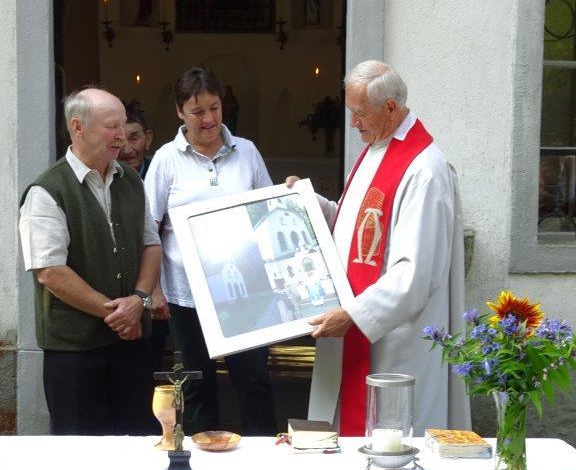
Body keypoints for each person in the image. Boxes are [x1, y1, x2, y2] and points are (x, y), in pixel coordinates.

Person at [287, 60, 470, 436]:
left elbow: (414, 273)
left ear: (389, 108)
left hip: (393, 344)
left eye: (359, 113)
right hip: (361, 332)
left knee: (389, 442)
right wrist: (310, 203)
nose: (353, 123)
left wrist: (354, 315)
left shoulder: (424, 170)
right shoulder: (376, 148)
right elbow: (356, 228)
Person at [19, 87, 162, 435]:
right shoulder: (47, 190)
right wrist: (118, 314)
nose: (121, 136)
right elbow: (50, 272)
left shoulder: (130, 180)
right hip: (75, 352)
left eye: (123, 125)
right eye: (111, 127)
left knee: (137, 442)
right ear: (78, 127)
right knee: (79, 451)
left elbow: (151, 244)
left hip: (131, 344)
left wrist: (139, 300)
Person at [145, 66, 277, 436]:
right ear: (179, 112)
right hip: (187, 295)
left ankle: (264, 454)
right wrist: (154, 288)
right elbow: (149, 227)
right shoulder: (166, 159)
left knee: (253, 380)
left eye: (214, 108)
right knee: (195, 383)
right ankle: (201, 456)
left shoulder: (246, 152)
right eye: (197, 111)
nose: (208, 119)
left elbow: (266, 211)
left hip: (245, 290)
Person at [120, 100, 170, 375]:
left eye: (135, 137)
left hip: (168, 286)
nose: (127, 149)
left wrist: (156, 288)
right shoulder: (107, 178)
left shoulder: (163, 171)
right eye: (121, 139)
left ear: (148, 138)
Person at [119, 100, 154, 179]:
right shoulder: (100, 176)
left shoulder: (161, 173)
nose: (126, 151)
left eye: (134, 139)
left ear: (148, 139)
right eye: (119, 140)